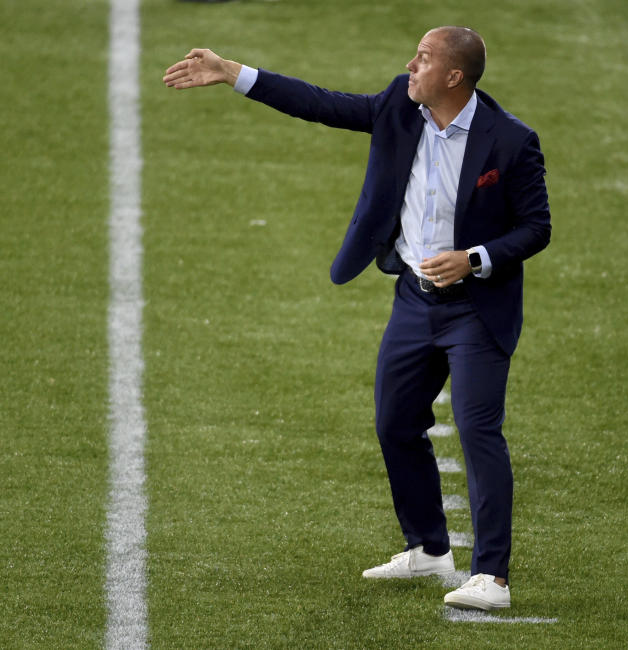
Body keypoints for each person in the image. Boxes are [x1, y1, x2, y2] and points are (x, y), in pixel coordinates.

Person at [163, 26, 551, 611]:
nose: (409, 65)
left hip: (475, 308)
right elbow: (322, 104)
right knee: (394, 421)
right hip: (415, 301)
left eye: (423, 58)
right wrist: (233, 72)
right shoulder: (401, 102)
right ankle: (428, 549)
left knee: (477, 431)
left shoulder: (511, 141)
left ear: (454, 77)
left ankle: (492, 576)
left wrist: (473, 259)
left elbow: (536, 227)